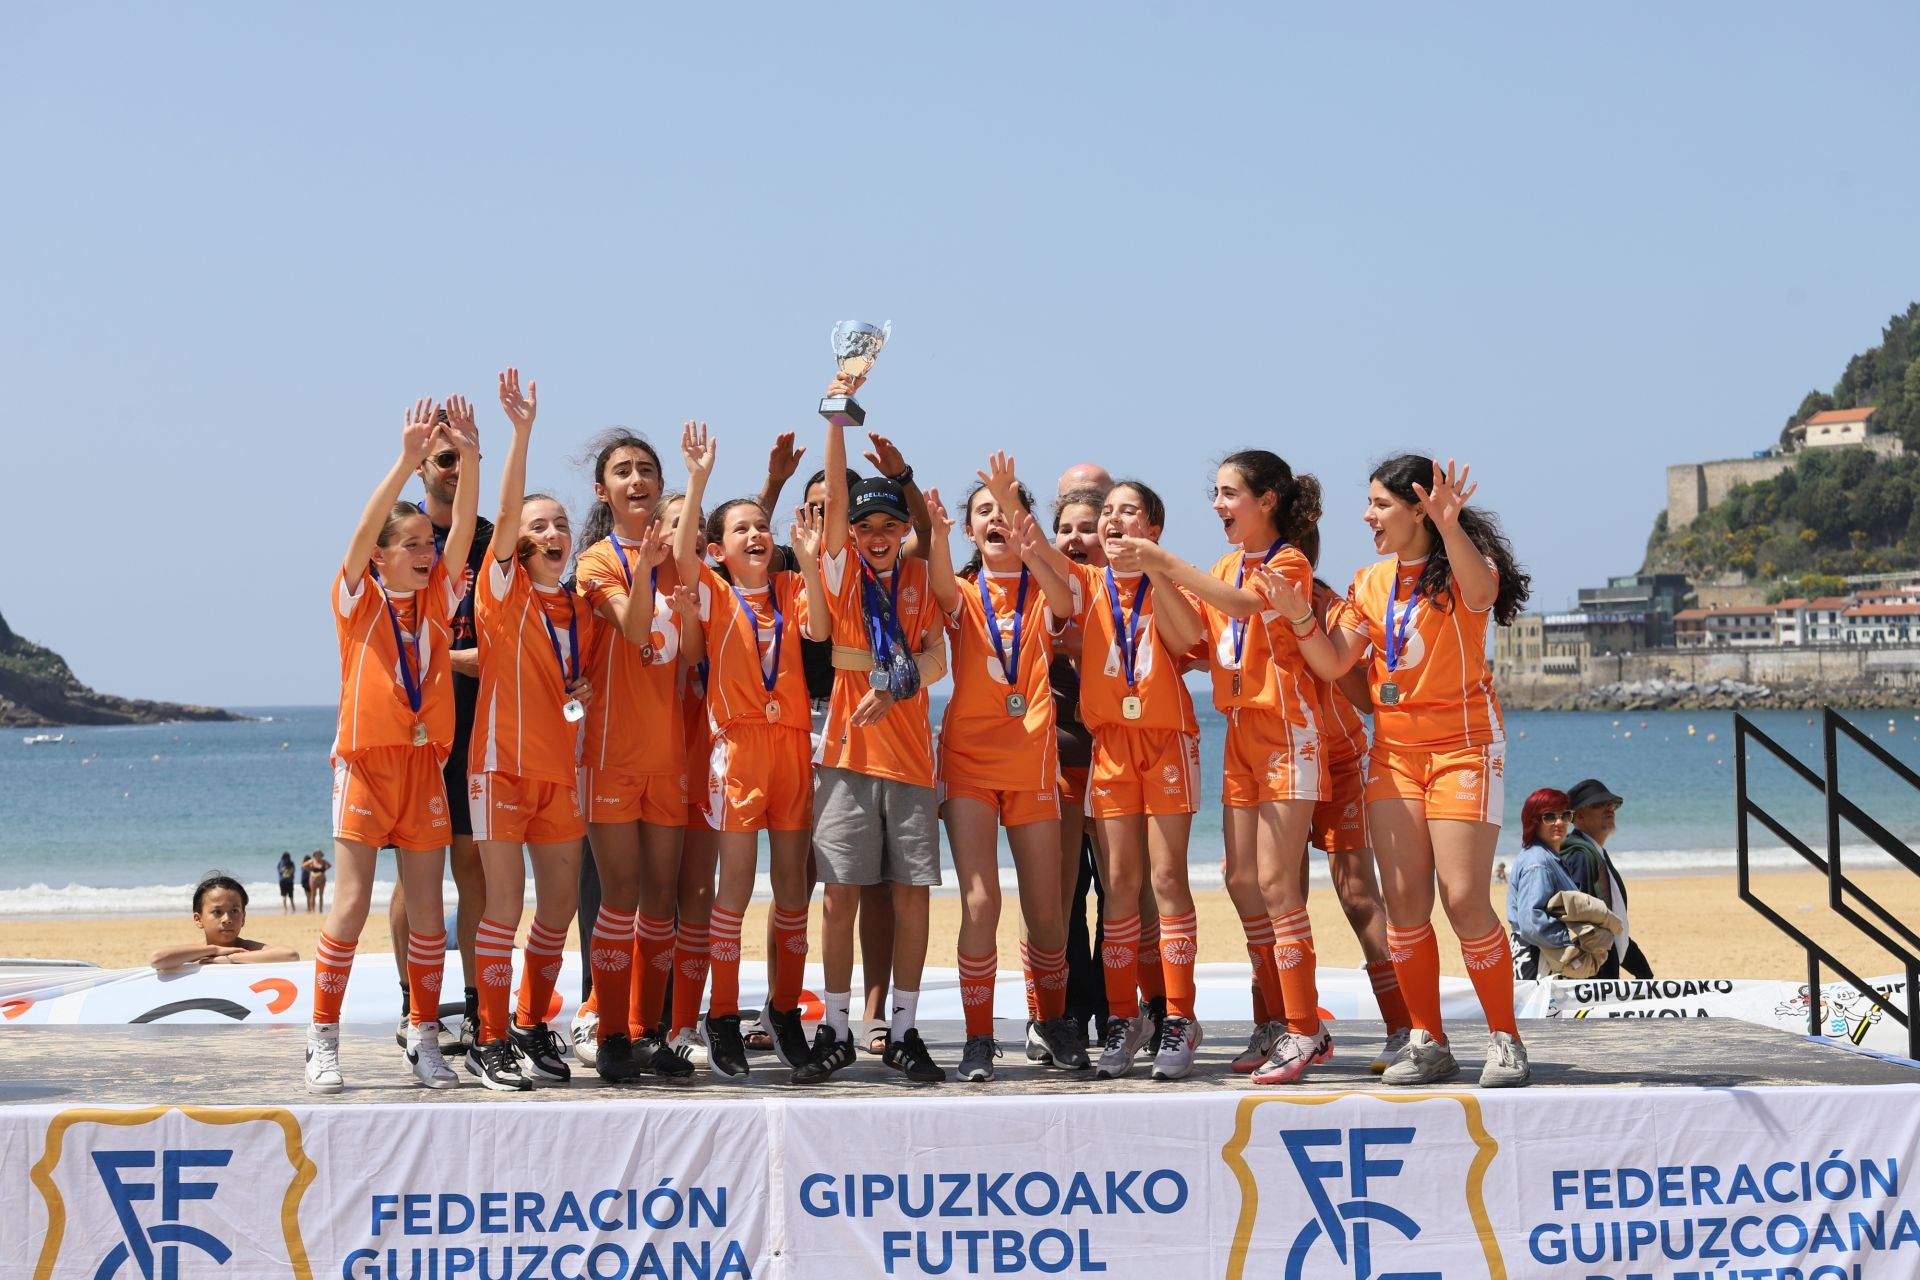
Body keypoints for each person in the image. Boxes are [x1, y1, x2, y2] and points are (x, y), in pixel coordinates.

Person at [1273, 455, 1534, 1088]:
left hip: (1465, 749)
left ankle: (1505, 1038)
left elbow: (1483, 594)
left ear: (1419, 508)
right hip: (1393, 753)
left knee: (1465, 897)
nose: (1368, 516)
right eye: (1368, 504)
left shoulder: (1462, 568)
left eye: (1382, 505)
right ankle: (1428, 1038)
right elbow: (1337, 666)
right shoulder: (1370, 581)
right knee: (1406, 908)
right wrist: (1300, 616)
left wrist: (1451, 527)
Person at [1116, 450, 1333, 1087]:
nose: (1218, 505)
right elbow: (1196, 639)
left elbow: (1241, 607)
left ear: (1266, 501)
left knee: (1275, 885)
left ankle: (1303, 1027)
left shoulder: (1289, 561)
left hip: (1287, 734)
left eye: (1230, 493)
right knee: (1241, 879)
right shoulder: (1222, 565)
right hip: (1241, 735)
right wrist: (1156, 580)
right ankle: (1277, 1020)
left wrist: (1162, 561)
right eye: (1215, 493)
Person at [309, 395, 479, 1094]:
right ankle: (322, 1040)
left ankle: (425, 1033)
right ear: (380, 556)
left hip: (422, 765)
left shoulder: (439, 599)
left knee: (428, 911)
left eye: (427, 546)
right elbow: (358, 533)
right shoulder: (358, 600)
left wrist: (468, 458)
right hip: (367, 767)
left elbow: (465, 530)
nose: (424, 553)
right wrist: (407, 460)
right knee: (348, 906)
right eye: (408, 546)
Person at [792, 376, 948, 1085]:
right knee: (840, 897)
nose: (878, 538)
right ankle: (834, 1027)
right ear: (848, 535)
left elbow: (939, 656)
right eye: (865, 529)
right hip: (847, 760)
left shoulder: (918, 577)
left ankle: (907, 1029)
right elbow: (832, 497)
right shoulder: (839, 575)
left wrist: (896, 683)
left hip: (912, 760)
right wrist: (836, 421)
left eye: (890, 527)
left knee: (912, 895)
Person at [673, 421, 828, 1079]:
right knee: (733, 889)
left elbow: (820, 629)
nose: (756, 534)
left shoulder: (793, 589)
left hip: (792, 746)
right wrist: (699, 478)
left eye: (761, 526)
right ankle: (723, 1016)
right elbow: (680, 560)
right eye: (741, 529)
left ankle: (786, 1010)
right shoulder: (710, 591)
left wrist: (812, 560)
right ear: (718, 548)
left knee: (793, 890)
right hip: (737, 750)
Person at [927, 453, 1085, 1082]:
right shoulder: (963, 593)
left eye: (1005, 511)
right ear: (969, 531)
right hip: (967, 759)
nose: (995, 519)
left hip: (1033, 759)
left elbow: (1065, 596)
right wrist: (937, 536)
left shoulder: (1042, 589)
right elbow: (938, 586)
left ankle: (1049, 1023)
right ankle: (978, 1036)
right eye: (983, 512)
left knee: (1047, 907)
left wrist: (1018, 515)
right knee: (981, 900)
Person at [465, 368, 599, 1093]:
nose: (550, 532)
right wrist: (520, 434)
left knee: (557, 908)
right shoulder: (502, 588)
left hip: (559, 774)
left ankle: (525, 1021)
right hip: (500, 769)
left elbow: (572, 680)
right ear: (517, 541)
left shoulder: (577, 608)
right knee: (505, 907)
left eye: (560, 524)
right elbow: (507, 505)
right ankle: (487, 1038)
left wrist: (576, 687)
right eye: (537, 525)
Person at [1058, 481, 1208, 1080]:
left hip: (1167, 741)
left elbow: (1184, 638)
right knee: (1120, 882)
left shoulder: (1170, 579)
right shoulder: (1090, 585)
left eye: (1129, 512)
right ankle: (1123, 1018)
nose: (1115, 521)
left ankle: (1179, 1017)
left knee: (1166, 878)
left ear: (1154, 527)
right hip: (1112, 747)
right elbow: (1047, 569)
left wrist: (1156, 569)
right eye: (1108, 514)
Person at [571, 429, 701, 1083]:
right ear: (604, 490)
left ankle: (652, 1033)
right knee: (619, 896)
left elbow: (696, 653)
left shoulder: (680, 561)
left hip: (667, 758)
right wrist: (647, 569)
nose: (637, 478)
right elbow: (629, 627)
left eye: (647, 468)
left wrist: (698, 478)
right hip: (608, 755)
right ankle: (614, 1032)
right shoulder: (596, 561)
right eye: (623, 471)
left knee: (662, 902)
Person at [387, 406, 497, 1053]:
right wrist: (453, 657)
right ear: (425, 466)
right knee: (414, 876)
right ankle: (412, 1007)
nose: (456, 468)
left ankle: (482, 1009)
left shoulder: (493, 538)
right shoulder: (403, 538)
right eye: (445, 457)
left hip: (483, 727)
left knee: (474, 868)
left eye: (465, 456)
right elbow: (389, 641)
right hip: (418, 732)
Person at [1307, 580, 1414, 1074]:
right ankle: (1285, 1026)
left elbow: (1367, 697)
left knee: (1357, 896)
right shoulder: (1236, 587)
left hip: (1339, 760)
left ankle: (1403, 1025)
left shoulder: (1334, 606)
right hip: (1271, 759)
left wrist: (1312, 630)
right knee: (1267, 893)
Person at [1049, 488, 1114, 1044]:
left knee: (1122, 891)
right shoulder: (1041, 596)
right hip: (1063, 760)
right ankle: (1067, 1008)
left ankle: (1118, 1007)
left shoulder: (1131, 594)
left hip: (1123, 761)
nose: (1075, 539)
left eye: (1088, 526)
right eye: (1065, 528)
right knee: (1064, 896)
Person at [1558, 778, 1653, 979]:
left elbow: (1612, 924)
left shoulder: (1595, 852)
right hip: (1592, 973)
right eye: (1599, 804)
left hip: (1602, 965)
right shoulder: (1580, 856)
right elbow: (1579, 925)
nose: (1610, 808)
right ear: (1578, 816)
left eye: (1613, 804)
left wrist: (1642, 971)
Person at [152, 875, 300, 971]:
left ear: (243, 918)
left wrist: (230, 959)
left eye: (235, 911)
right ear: (198, 919)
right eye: (217, 912)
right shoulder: (196, 950)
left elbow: (290, 955)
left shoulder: (246, 948)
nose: (227, 919)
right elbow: (158, 959)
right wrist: (214, 950)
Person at [1507, 788, 1577, 980]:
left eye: (1565, 815)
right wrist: (1575, 939)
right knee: (1536, 1010)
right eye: (1549, 817)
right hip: (1537, 956)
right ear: (1534, 821)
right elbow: (1532, 924)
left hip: (1533, 952)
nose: (1560, 822)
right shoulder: (1538, 862)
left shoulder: (1546, 857)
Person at [301, 850, 329, 914]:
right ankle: (312, 910)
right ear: (314, 855)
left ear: (321, 855)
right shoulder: (312, 861)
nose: (318, 855)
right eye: (317, 854)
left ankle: (321, 909)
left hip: (322, 880)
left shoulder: (323, 861)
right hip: (313, 879)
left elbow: (330, 865)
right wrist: (310, 870)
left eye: (319, 854)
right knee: (313, 895)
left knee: (321, 895)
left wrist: (324, 870)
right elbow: (303, 865)